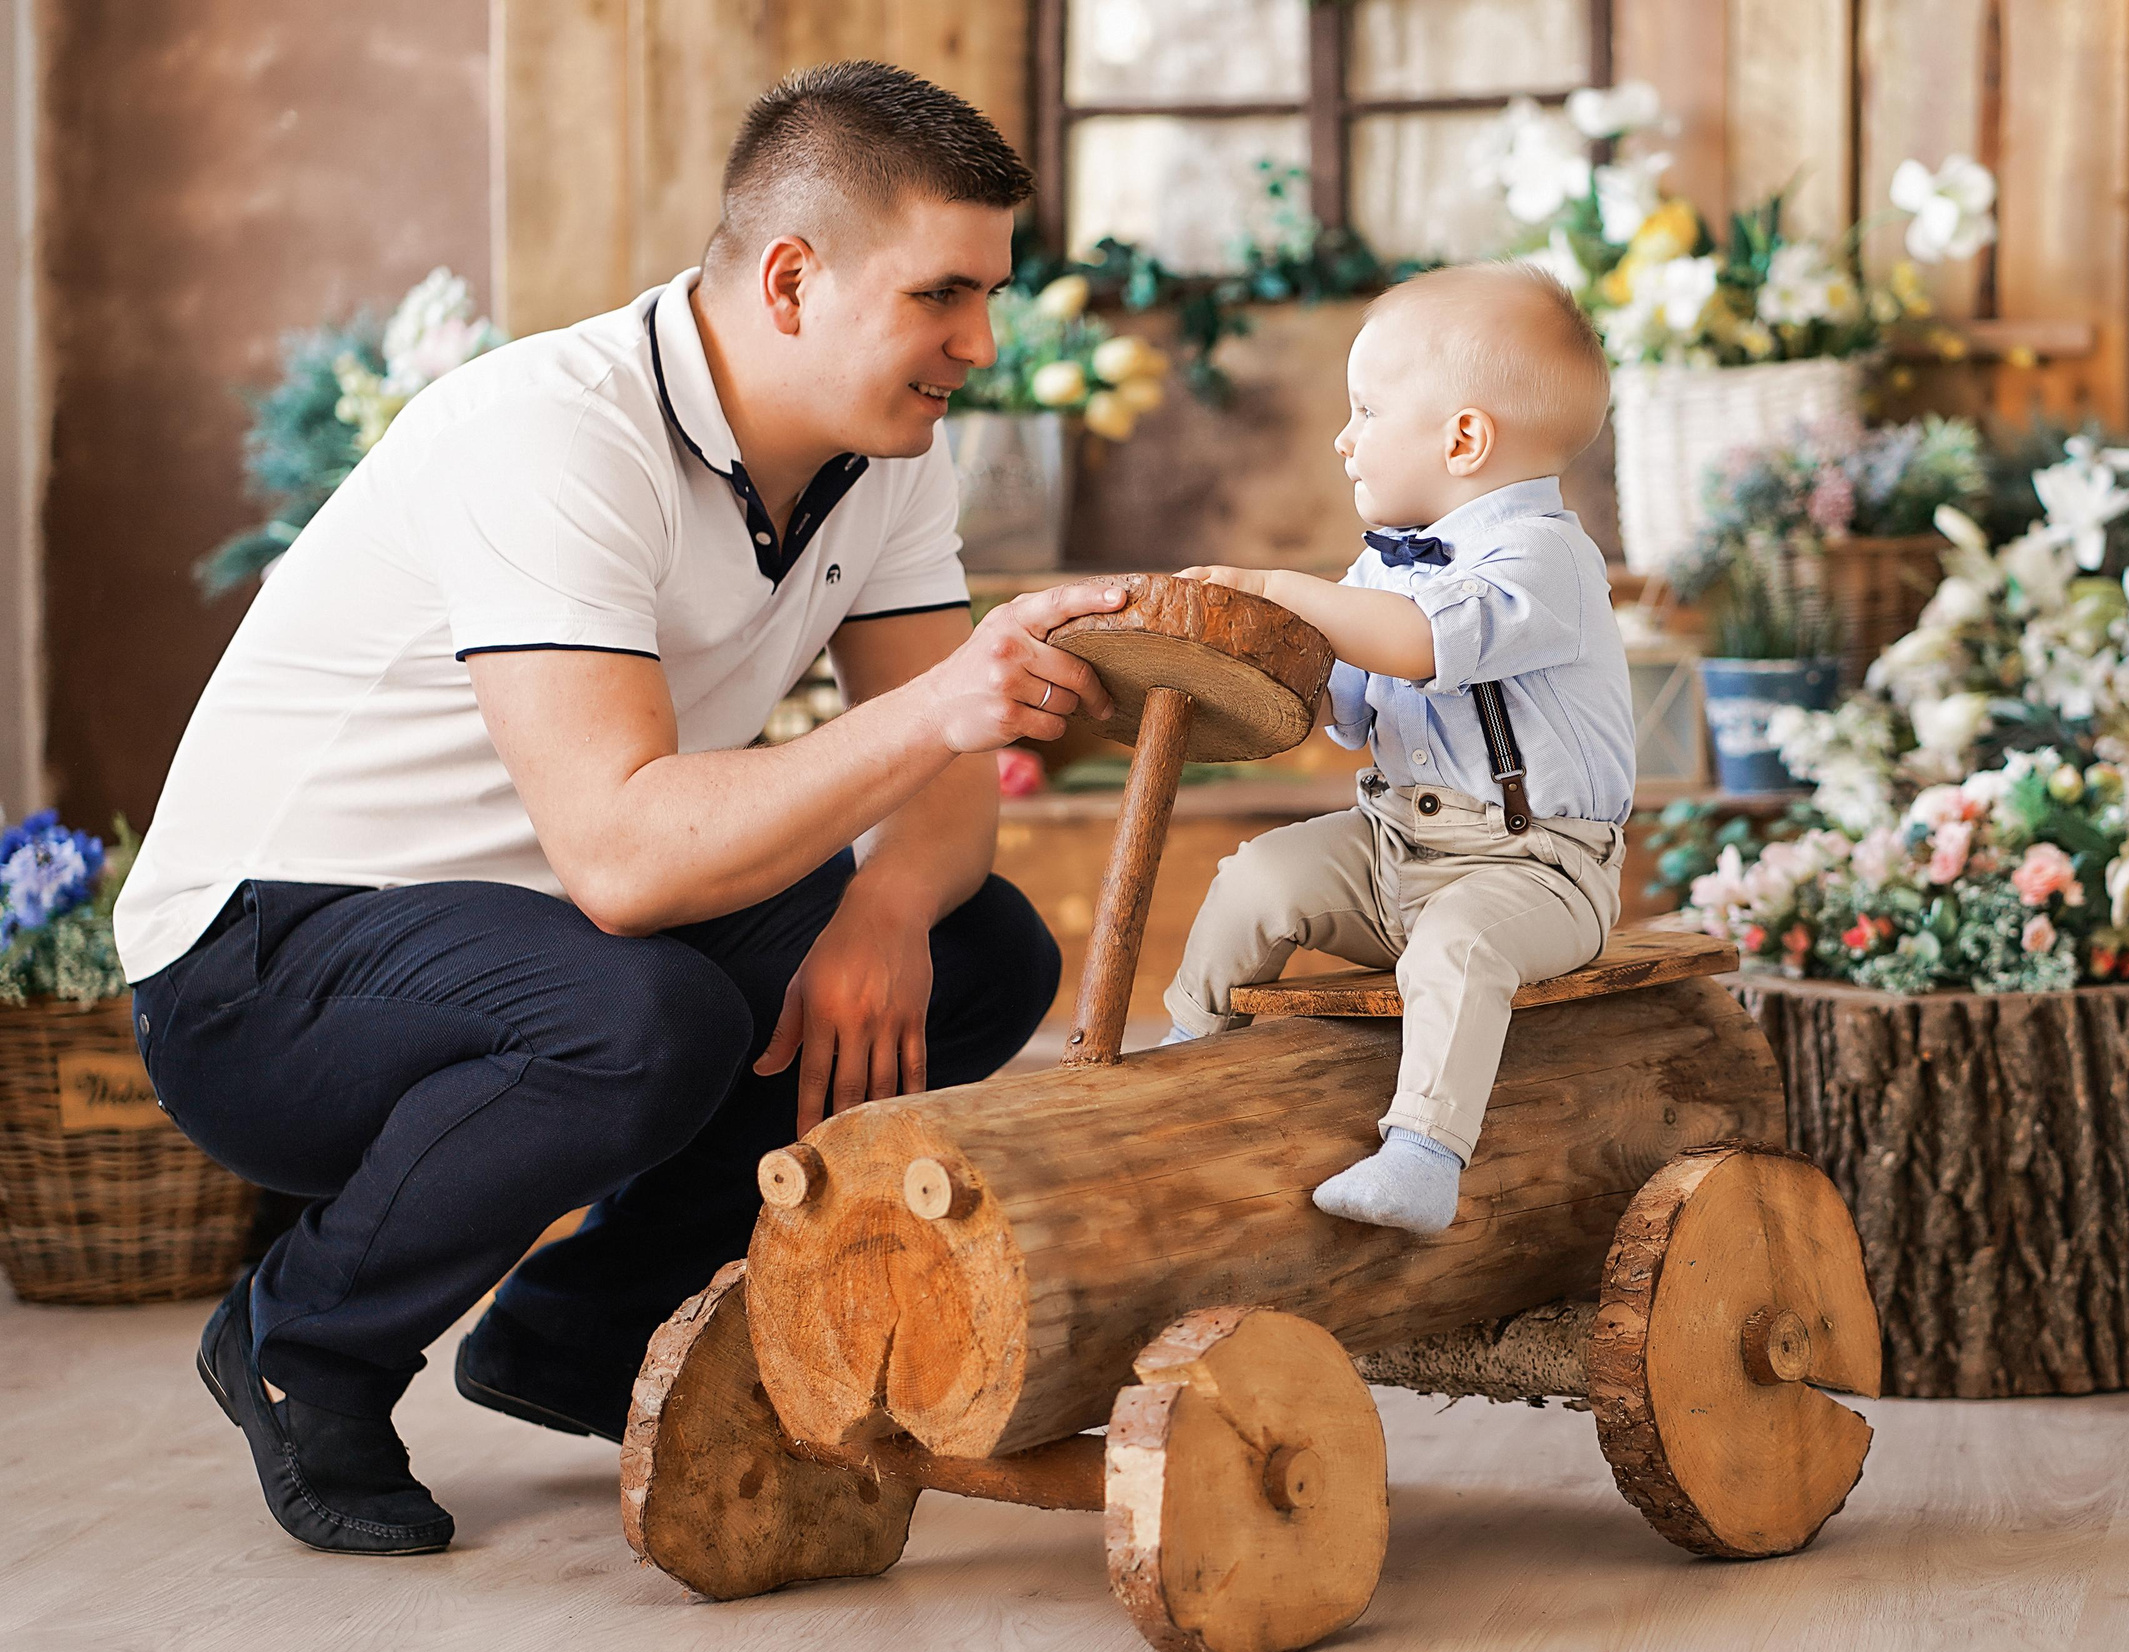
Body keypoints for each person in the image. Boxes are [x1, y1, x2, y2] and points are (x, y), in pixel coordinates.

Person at [114, 62, 1123, 1557]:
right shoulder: (551, 431)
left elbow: (947, 792)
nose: (979, 343)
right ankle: (303, 1344)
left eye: (989, 296)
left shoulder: (888, 448)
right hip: (260, 962)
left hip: (543, 926)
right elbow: (628, 857)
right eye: (944, 297)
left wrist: (890, 906)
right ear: (792, 279)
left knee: (980, 956)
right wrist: (932, 716)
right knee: (643, 1011)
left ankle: (590, 1334)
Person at [1165, 261, 1636, 1235]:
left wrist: (1286, 591)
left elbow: (1420, 644)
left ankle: (1423, 1153)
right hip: (1394, 847)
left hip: (1537, 867)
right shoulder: (1381, 566)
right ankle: (1183, 1055)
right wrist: (1249, 652)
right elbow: (1343, 699)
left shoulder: (1545, 557)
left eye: (1365, 410)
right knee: (1261, 876)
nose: (1343, 438)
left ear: (1463, 437)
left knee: (1457, 946)